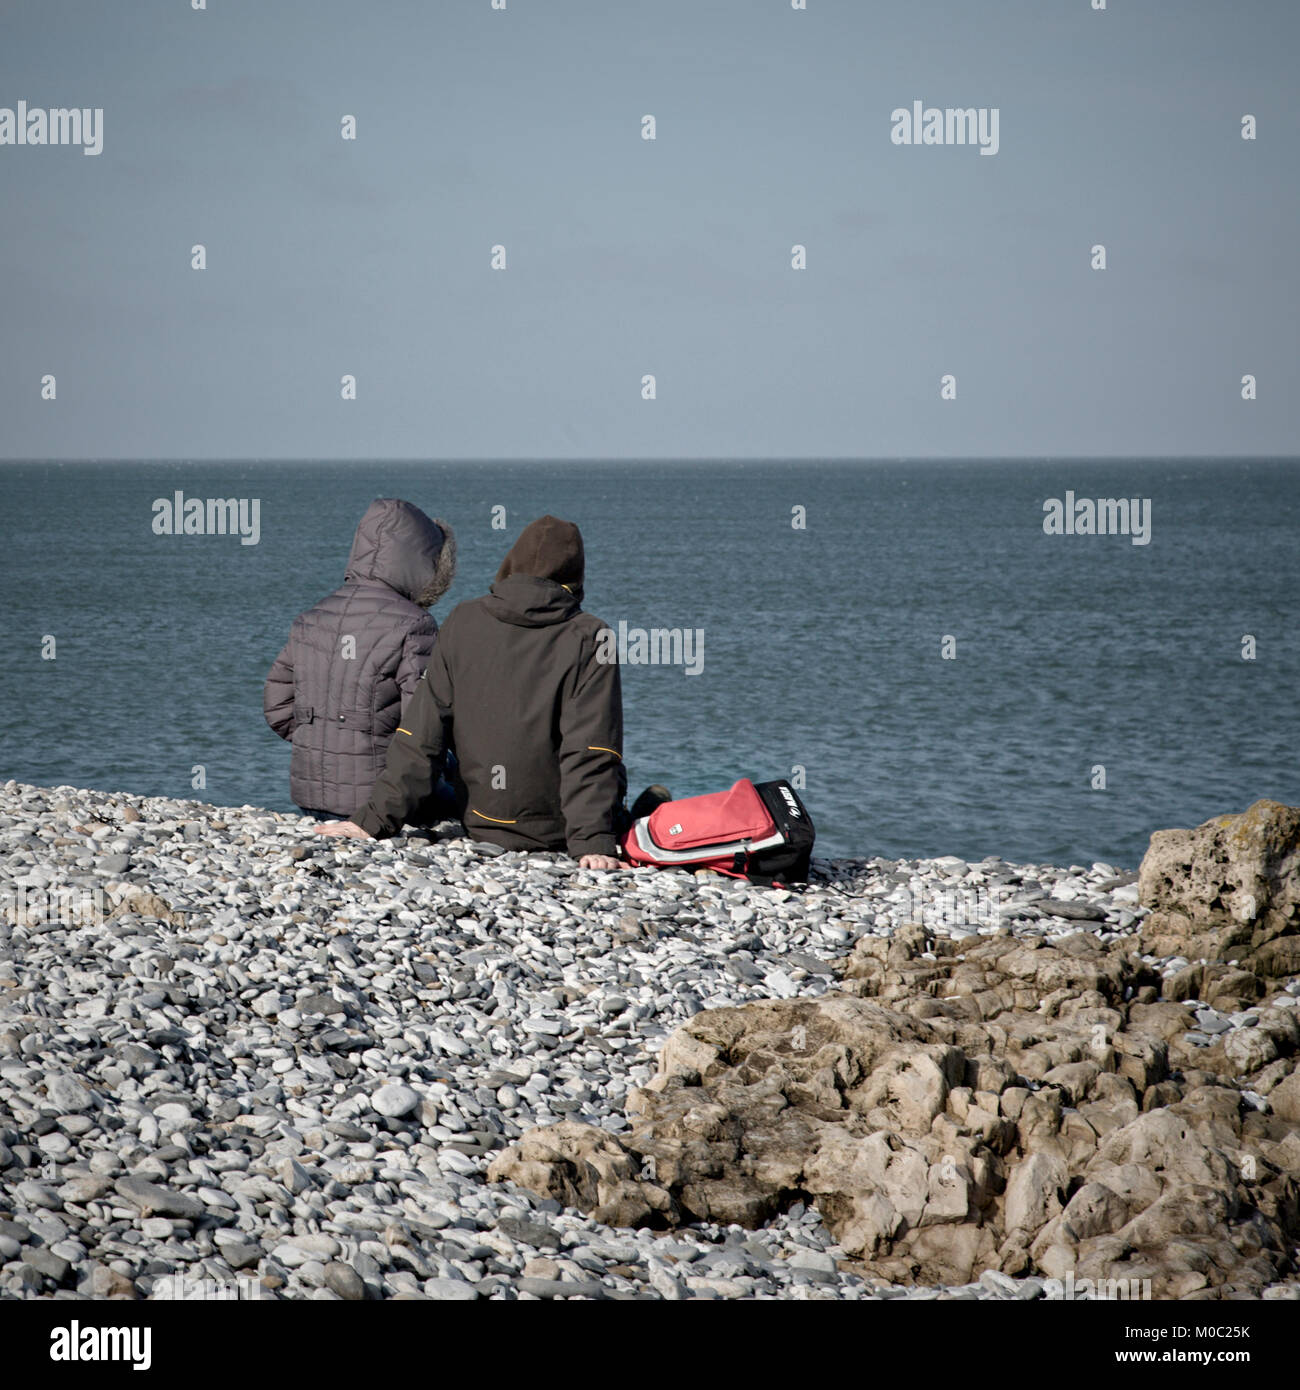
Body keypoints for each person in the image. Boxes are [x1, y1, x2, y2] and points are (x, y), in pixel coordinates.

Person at [315, 514, 654, 869]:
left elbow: (421, 736)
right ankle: (641, 817)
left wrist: (371, 821)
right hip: (558, 830)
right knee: (639, 802)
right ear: (575, 576)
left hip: (480, 821)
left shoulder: (464, 620)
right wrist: (591, 842)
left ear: (510, 565)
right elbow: (590, 748)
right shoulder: (590, 636)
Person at [264, 497, 456, 821]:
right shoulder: (415, 624)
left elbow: (277, 706)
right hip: (380, 803)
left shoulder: (312, 618)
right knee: (466, 792)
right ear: (422, 563)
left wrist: (324, 742)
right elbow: (423, 725)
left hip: (310, 796)